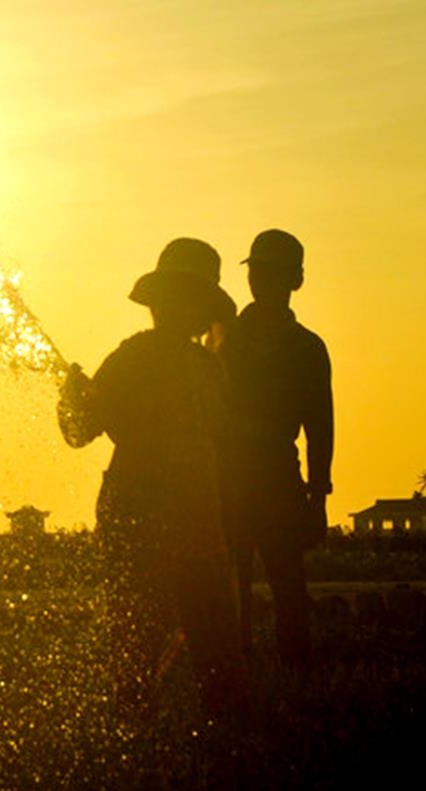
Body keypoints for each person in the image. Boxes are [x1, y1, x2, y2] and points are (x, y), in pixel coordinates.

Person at [58, 238, 248, 724]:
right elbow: (80, 429)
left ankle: (150, 729)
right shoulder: (188, 366)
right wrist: (73, 397)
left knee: (160, 635)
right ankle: (186, 730)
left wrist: (74, 398)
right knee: (176, 636)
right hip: (164, 513)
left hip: (161, 513)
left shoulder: (164, 362)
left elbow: (80, 430)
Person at [220, 229, 333, 668]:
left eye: (271, 273)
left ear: (295, 280)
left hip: (280, 480)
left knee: (289, 587)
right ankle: (235, 676)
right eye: (257, 272)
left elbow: (320, 426)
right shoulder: (224, 338)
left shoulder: (307, 348)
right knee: (230, 588)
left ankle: (297, 677)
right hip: (227, 480)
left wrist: (317, 497)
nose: (260, 281)